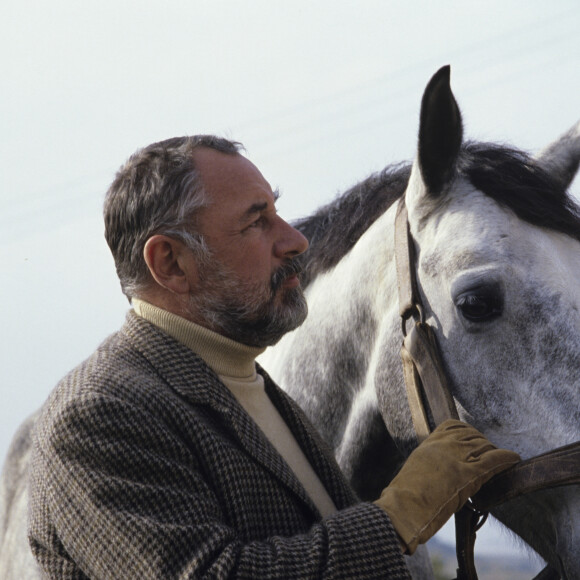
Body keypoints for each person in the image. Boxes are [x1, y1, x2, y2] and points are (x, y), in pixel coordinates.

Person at [28, 135, 520, 579]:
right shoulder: (96, 415)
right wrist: (400, 514)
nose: (295, 240)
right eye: (256, 221)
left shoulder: (249, 383)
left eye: (277, 213)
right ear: (170, 262)